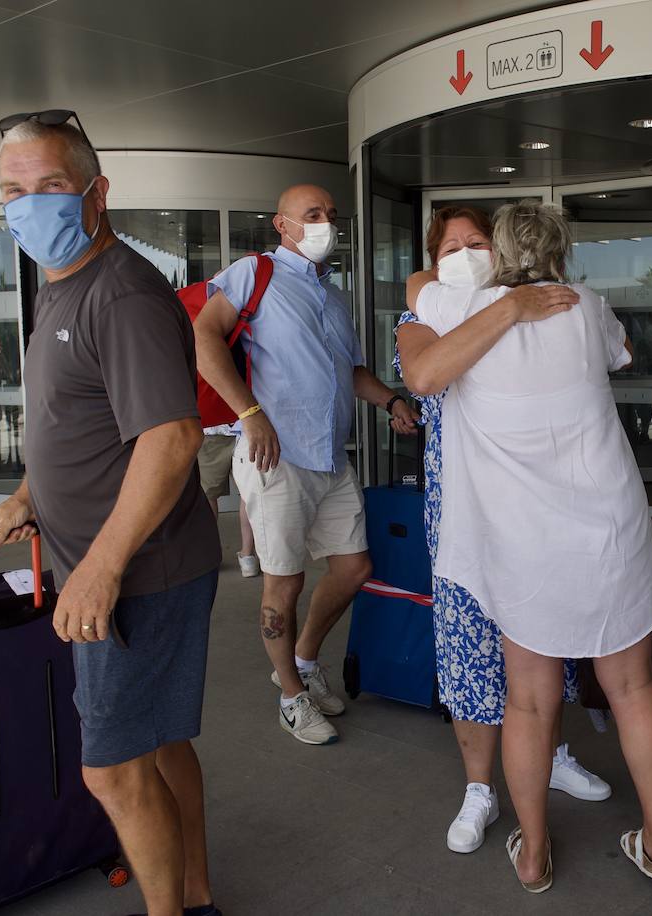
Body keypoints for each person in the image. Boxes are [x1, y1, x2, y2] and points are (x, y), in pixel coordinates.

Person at [0, 110, 223, 916]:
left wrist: (100, 567)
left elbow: (171, 437)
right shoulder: (64, 287)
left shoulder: (119, 292)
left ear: (96, 191)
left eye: (49, 186)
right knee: (155, 745)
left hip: (137, 575)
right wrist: (28, 495)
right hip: (114, 564)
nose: (29, 206)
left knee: (111, 770)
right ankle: (192, 892)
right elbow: (81, 420)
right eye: (13, 191)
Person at [409, 200, 652, 893]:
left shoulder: (459, 307)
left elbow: (416, 292)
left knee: (529, 701)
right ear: (564, 249)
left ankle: (533, 854)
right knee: (633, 685)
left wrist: (493, 297)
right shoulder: (586, 305)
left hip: (525, 541)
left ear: (494, 253)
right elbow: (620, 353)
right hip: (611, 528)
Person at [396, 206, 613, 856]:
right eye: (451, 247)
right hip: (465, 517)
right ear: (435, 265)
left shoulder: (538, 304)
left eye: (476, 243)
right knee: (470, 652)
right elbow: (425, 373)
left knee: (546, 646)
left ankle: (550, 755)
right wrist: (509, 308)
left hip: (540, 512)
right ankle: (479, 788)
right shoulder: (426, 317)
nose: (465, 254)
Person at [194, 184, 419, 746]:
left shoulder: (333, 296)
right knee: (284, 582)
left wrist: (391, 400)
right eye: (312, 214)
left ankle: (303, 660)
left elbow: (352, 372)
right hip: (276, 456)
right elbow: (204, 336)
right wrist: (249, 412)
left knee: (354, 567)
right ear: (282, 224)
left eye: (331, 215)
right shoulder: (254, 274)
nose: (325, 224)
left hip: (328, 454)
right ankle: (291, 697)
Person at [197, 421, 260, 577]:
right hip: (246, 426)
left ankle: (208, 556)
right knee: (247, 494)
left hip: (211, 426)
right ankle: (248, 557)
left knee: (208, 496)